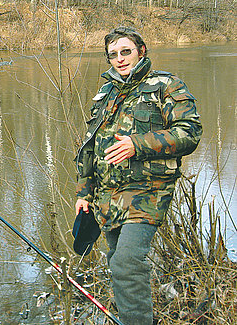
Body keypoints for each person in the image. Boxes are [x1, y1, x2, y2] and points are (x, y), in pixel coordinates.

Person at [74, 27, 202, 325]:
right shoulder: (106, 94)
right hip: (106, 195)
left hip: (147, 191)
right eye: (113, 55)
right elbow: (90, 147)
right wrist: (83, 192)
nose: (119, 60)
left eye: (125, 52)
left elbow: (190, 133)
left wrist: (138, 144)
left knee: (128, 262)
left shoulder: (166, 85)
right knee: (117, 262)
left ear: (141, 50)